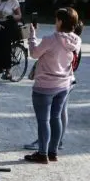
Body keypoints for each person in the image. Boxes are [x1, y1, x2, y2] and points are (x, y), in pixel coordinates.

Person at [24, 8, 81, 163]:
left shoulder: (51, 39)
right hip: (63, 84)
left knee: (43, 120)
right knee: (56, 118)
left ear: (61, 22)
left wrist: (32, 36)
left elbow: (34, 53)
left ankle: (42, 153)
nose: (55, 22)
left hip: (45, 85)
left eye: (56, 19)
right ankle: (53, 152)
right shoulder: (76, 40)